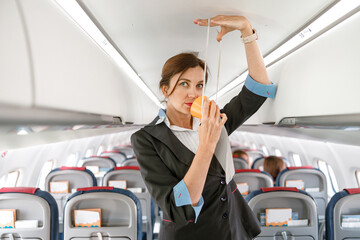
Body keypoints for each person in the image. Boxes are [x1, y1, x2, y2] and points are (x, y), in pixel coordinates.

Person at [131, 15, 276, 240]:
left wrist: (246, 32)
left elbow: (258, 91)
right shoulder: (146, 139)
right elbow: (180, 206)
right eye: (183, 84)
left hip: (235, 230)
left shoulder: (214, 119)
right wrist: (207, 145)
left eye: (199, 85)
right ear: (164, 90)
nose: (194, 93)